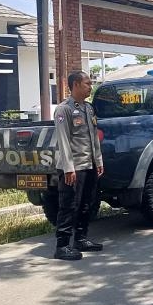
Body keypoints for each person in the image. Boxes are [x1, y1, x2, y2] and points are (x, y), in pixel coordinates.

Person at [53, 70, 105, 261]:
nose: (90, 87)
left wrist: (98, 161)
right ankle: (62, 245)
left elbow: (93, 138)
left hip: (89, 165)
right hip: (73, 168)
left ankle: (81, 239)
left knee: (86, 204)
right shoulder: (63, 110)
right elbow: (63, 140)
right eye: (87, 84)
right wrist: (68, 168)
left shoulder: (89, 109)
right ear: (75, 85)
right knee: (69, 206)